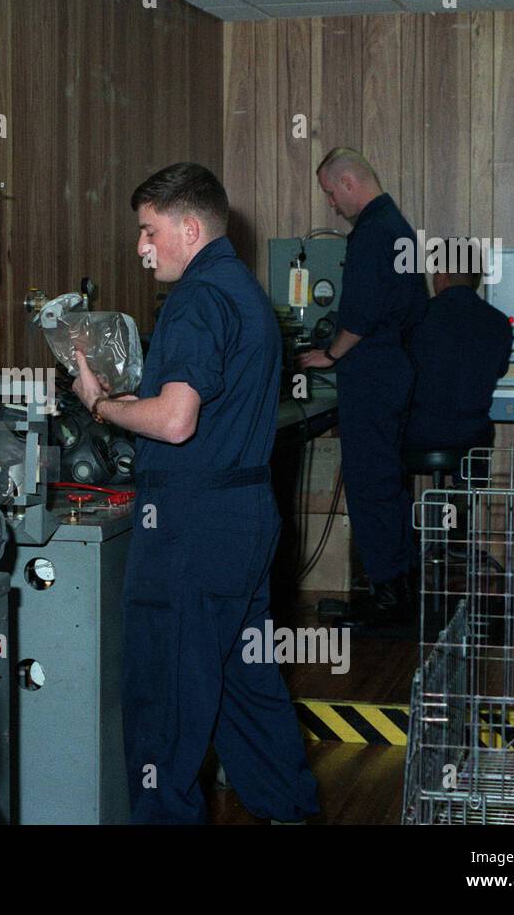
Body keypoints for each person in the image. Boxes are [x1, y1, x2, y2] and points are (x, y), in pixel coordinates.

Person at [73, 162, 319, 824]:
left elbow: (176, 420)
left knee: (164, 709)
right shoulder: (243, 293)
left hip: (190, 528)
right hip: (243, 518)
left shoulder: (194, 300)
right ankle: (293, 812)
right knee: (245, 689)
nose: (141, 247)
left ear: (188, 226)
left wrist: (103, 406)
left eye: (149, 231)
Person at [296, 147, 428, 626]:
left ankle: (387, 598)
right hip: (395, 370)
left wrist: (329, 354)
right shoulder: (397, 227)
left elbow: (362, 313)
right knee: (387, 480)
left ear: (349, 183)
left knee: (370, 482)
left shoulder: (373, 233)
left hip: (373, 376)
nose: (332, 205)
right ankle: (400, 585)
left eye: (331, 194)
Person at [405, 239, 513, 453]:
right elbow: (500, 370)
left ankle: (403, 488)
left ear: (442, 275)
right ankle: (471, 487)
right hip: (472, 434)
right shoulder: (499, 322)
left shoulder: (417, 317)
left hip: (419, 432)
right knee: (478, 441)